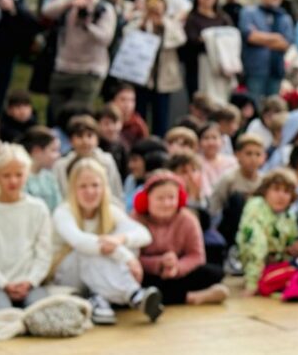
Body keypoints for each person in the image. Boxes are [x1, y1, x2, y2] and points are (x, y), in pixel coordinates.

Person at [52, 158, 164, 324]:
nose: (90, 191)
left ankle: (99, 299)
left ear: (104, 187)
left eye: (95, 185)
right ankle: (134, 295)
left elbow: (143, 234)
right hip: (67, 274)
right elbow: (81, 242)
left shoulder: (110, 210)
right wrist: (127, 257)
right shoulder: (63, 212)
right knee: (91, 249)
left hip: (96, 273)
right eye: (83, 186)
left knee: (119, 240)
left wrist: (119, 240)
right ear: (73, 189)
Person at [0, 145, 52, 312]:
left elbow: (44, 253)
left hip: (30, 283)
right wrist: (4, 284)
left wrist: (30, 281)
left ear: (27, 174)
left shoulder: (38, 208)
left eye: (19, 175)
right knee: (3, 314)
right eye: (6, 175)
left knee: (40, 312)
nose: (13, 181)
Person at [132, 172, 229, 305]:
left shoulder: (188, 219)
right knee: (132, 280)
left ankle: (167, 297)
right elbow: (131, 258)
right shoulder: (135, 220)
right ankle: (189, 297)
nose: (167, 203)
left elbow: (197, 255)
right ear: (147, 199)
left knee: (214, 273)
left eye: (171, 197)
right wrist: (159, 263)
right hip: (148, 272)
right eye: (160, 198)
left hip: (178, 270)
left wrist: (177, 267)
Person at [42, 0, 118, 115]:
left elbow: (105, 39)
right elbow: (47, 11)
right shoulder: (69, 1)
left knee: (78, 117)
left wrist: (87, 24)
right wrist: (69, 2)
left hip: (89, 71)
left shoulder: (103, 9)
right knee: (56, 115)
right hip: (63, 67)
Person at [236, 169, 298, 297]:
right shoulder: (255, 207)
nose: (281, 196)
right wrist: (252, 284)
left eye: (287, 192)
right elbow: (256, 246)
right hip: (256, 267)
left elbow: (288, 245)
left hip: (277, 264)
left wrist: (296, 249)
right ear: (265, 191)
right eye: (276, 189)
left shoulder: (288, 215)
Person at [127, 0, 187, 137]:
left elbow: (179, 39)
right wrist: (144, 22)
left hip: (163, 78)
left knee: (161, 115)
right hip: (141, 77)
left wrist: (162, 25)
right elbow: (128, 35)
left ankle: (158, 140)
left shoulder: (171, 23)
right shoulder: (139, 21)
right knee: (140, 112)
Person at [239, 0, 294, 101]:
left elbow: (285, 44)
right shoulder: (249, 12)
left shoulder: (285, 18)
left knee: (273, 107)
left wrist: (261, 38)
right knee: (253, 104)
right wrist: (276, 37)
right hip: (255, 70)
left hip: (276, 71)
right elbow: (250, 36)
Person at [211, 134, 265, 253]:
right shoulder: (229, 179)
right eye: (248, 154)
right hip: (231, 226)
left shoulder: (264, 181)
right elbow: (215, 207)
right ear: (237, 155)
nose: (253, 159)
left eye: (258, 154)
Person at [54, 115, 125, 203]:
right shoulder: (61, 165)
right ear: (71, 140)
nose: (85, 141)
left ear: (97, 139)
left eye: (89, 136)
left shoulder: (107, 161)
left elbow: (116, 192)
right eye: (79, 136)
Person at [183, 0, 234, 99]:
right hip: (198, 70)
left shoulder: (224, 18)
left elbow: (231, 38)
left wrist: (208, 38)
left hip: (220, 69)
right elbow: (192, 42)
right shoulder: (191, 18)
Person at [22, 126, 63, 211]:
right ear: (37, 151)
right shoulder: (21, 178)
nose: (58, 155)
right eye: (53, 150)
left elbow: (59, 207)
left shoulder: (49, 177)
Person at [198, 121, 237, 198]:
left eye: (214, 138)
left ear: (222, 141)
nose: (211, 142)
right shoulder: (196, 163)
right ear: (199, 142)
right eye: (206, 138)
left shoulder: (232, 162)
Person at [110, 83, 149, 149]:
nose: (127, 105)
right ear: (113, 100)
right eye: (123, 99)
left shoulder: (138, 125)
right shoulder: (105, 120)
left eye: (131, 100)